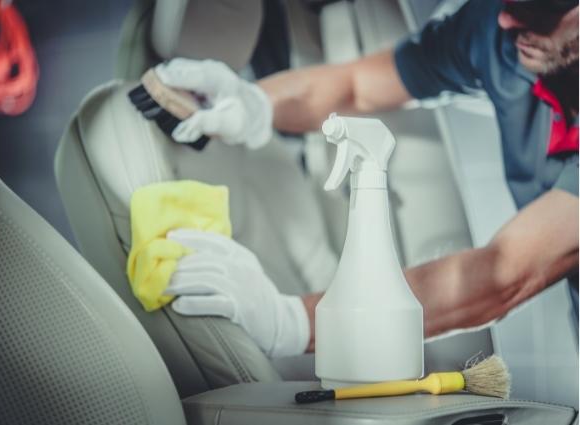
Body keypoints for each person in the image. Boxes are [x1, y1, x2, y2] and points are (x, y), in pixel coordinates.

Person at [158, 0, 579, 358]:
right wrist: (253, 104)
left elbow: (503, 275)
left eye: (538, 7)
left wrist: (297, 322)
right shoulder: (501, 32)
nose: (508, 21)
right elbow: (359, 85)